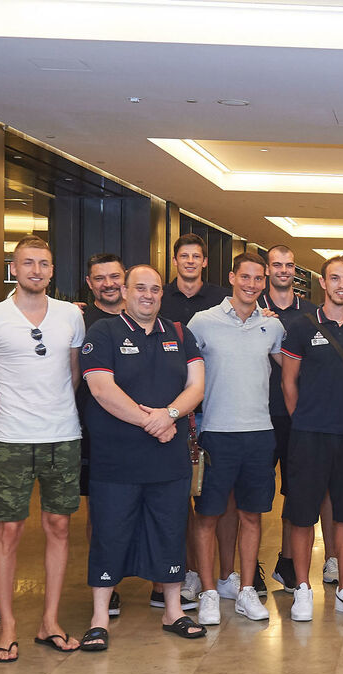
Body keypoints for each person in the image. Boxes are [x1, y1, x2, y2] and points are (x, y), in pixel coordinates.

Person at [81, 264, 207, 650]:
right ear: (125, 291)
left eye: (154, 289)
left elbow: (196, 385)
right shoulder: (103, 332)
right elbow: (101, 389)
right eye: (140, 288)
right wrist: (153, 421)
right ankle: (99, 618)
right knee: (109, 532)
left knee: (170, 530)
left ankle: (173, 611)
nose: (148, 295)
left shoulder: (179, 334)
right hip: (116, 460)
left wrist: (170, 414)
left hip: (168, 459)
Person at [0, 236, 86, 662]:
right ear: (13, 268)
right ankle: (8, 624)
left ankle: (49, 620)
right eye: (28, 263)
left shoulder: (71, 315)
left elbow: (74, 374)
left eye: (44, 263)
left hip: (62, 435)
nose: (36, 270)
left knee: (59, 527)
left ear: (52, 270)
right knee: (8, 531)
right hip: (10, 439)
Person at [280, 256, 343, 621]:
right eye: (335, 278)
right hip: (309, 434)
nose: (342, 285)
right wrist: (303, 419)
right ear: (323, 283)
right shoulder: (301, 325)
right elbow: (288, 381)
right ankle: (302, 589)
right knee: (302, 513)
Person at [187, 252, 284, 624]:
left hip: (260, 434)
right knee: (207, 516)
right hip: (216, 433)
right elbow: (184, 372)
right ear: (232, 277)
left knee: (252, 515)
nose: (252, 285)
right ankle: (209, 592)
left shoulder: (272, 326)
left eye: (258, 279)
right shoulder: (203, 322)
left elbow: (292, 367)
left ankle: (245, 589)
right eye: (245, 277)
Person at [159, 233, 232, 605]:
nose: (190, 261)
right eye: (184, 256)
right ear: (175, 261)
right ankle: (187, 571)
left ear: (205, 262)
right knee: (180, 497)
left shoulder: (223, 298)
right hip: (171, 410)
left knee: (219, 496)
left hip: (214, 410)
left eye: (196, 256)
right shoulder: (160, 297)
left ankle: (225, 574)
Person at [258, 245, 314, 592]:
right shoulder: (251, 307)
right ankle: (248, 569)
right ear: (267, 270)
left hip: (299, 415)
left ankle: (287, 561)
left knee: (297, 493)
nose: (283, 270)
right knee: (252, 497)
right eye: (277, 265)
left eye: (289, 265)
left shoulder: (311, 313)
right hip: (257, 415)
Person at [78, 254, 127, 617]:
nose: (108, 283)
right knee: (100, 510)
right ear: (89, 283)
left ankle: (161, 582)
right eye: (100, 278)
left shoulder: (145, 315)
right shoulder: (78, 321)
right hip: (94, 432)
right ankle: (107, 584)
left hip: (144, 429)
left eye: (114, 276)